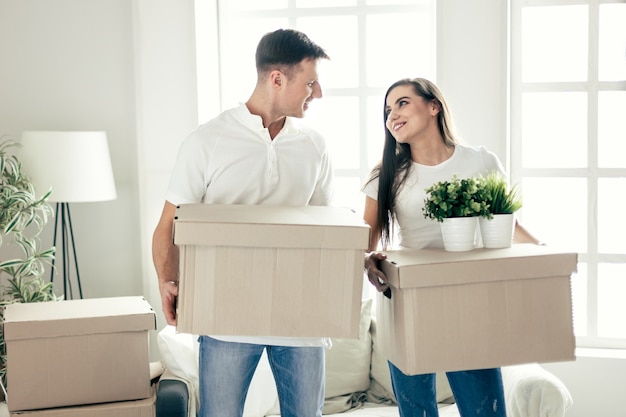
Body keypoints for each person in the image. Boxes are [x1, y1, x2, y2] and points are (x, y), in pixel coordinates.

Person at [152, 29, 332, 417]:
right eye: (311, 83)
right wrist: (168, 279)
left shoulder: (315, 146)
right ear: (277, 79)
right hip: (225, 318)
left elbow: (325, 231)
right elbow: (169, 224)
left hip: (300, 316)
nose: (317, 94)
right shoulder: (207, 141)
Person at [362, 78, 542, 417]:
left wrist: (545, 254)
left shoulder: (480, 161)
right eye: (387, 110)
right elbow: (364, 242)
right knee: (417, 412)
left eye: (401, 103)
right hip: (408, 301)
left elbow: (507, 225)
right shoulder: (386, 173)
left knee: (483, 410)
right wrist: (368, 260)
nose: (392, 115)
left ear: (433, 107)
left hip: (468, 298)